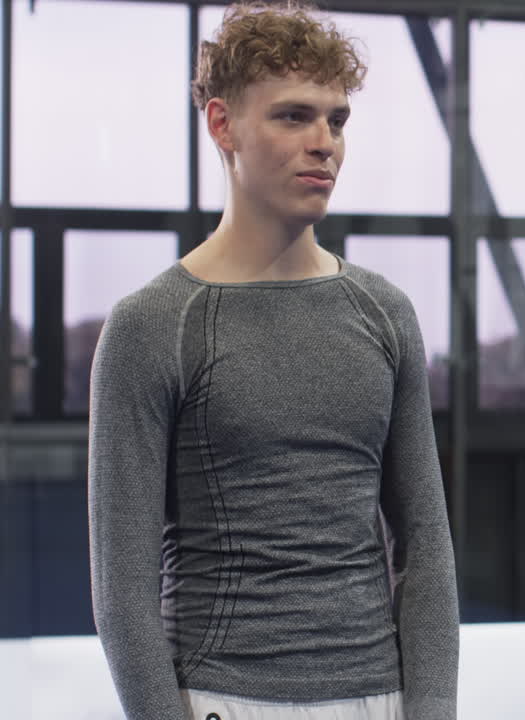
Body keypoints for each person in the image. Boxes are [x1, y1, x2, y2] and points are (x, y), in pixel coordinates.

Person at [87, 3, 459, 719]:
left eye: (337, 120)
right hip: (222, 697)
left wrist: (432, 709)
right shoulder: (151, 326)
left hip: (378, 696)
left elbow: (427, 552)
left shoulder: (385, 313)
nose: (324, 143)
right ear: (223, 125)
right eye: (294, 116)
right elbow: (121, 592)